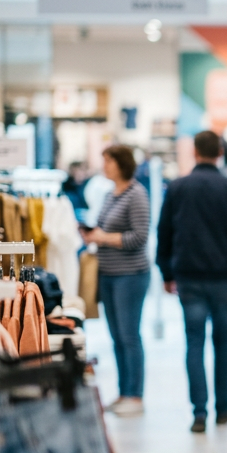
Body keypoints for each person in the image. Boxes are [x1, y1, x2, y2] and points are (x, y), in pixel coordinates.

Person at [156, 129, 227, 434]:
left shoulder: (177, 188)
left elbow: (165, 234)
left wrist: (167, 273)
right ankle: (223, 408)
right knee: (223, 344)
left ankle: (199, 412)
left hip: (189, 277)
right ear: (220, 153)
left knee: (194, 343)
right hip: (225, 278)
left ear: (195, 153)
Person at [84, 144, 152, 417]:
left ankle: (135, 395)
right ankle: (124, 392)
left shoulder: (136, 194)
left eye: (108, 161)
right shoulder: (111, 194)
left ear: (121, 163)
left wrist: (102, 238)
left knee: (129, 335)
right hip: (109, 274)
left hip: (130, 275)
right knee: (117, 337)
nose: (104, 166)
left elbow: (139, 236)